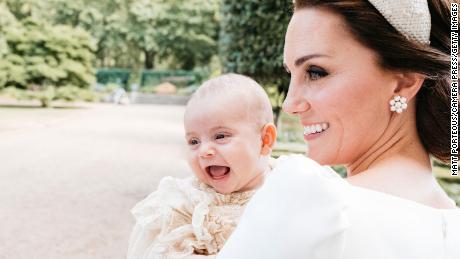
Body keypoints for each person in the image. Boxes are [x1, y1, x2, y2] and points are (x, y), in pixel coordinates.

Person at [217, 0, 460, 258]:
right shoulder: (453, 228)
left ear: (404, 82)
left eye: (316, 72)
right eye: (291, 74)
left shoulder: (312, 200)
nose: (290, 103)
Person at [127, 73, 277, 259]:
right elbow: (162, 250)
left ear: (265, 139)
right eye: (194, 141)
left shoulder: (286, 187)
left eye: (220, 136)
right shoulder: (187, 201)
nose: (204, 151)